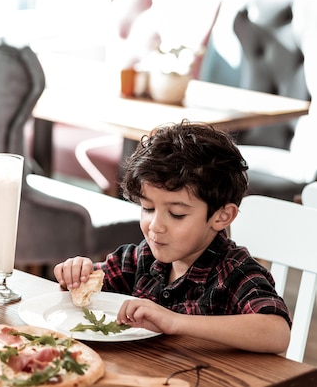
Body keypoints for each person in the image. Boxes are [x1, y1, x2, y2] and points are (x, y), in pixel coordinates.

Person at [54, 121, 291, 354]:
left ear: (222, 216)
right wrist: (76, 274)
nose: (156, 226)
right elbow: (91, 290)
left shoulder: (235, 272)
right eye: (147, 208)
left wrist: (175, 322)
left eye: (176, 214)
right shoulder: (141, 258)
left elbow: (277, 333)